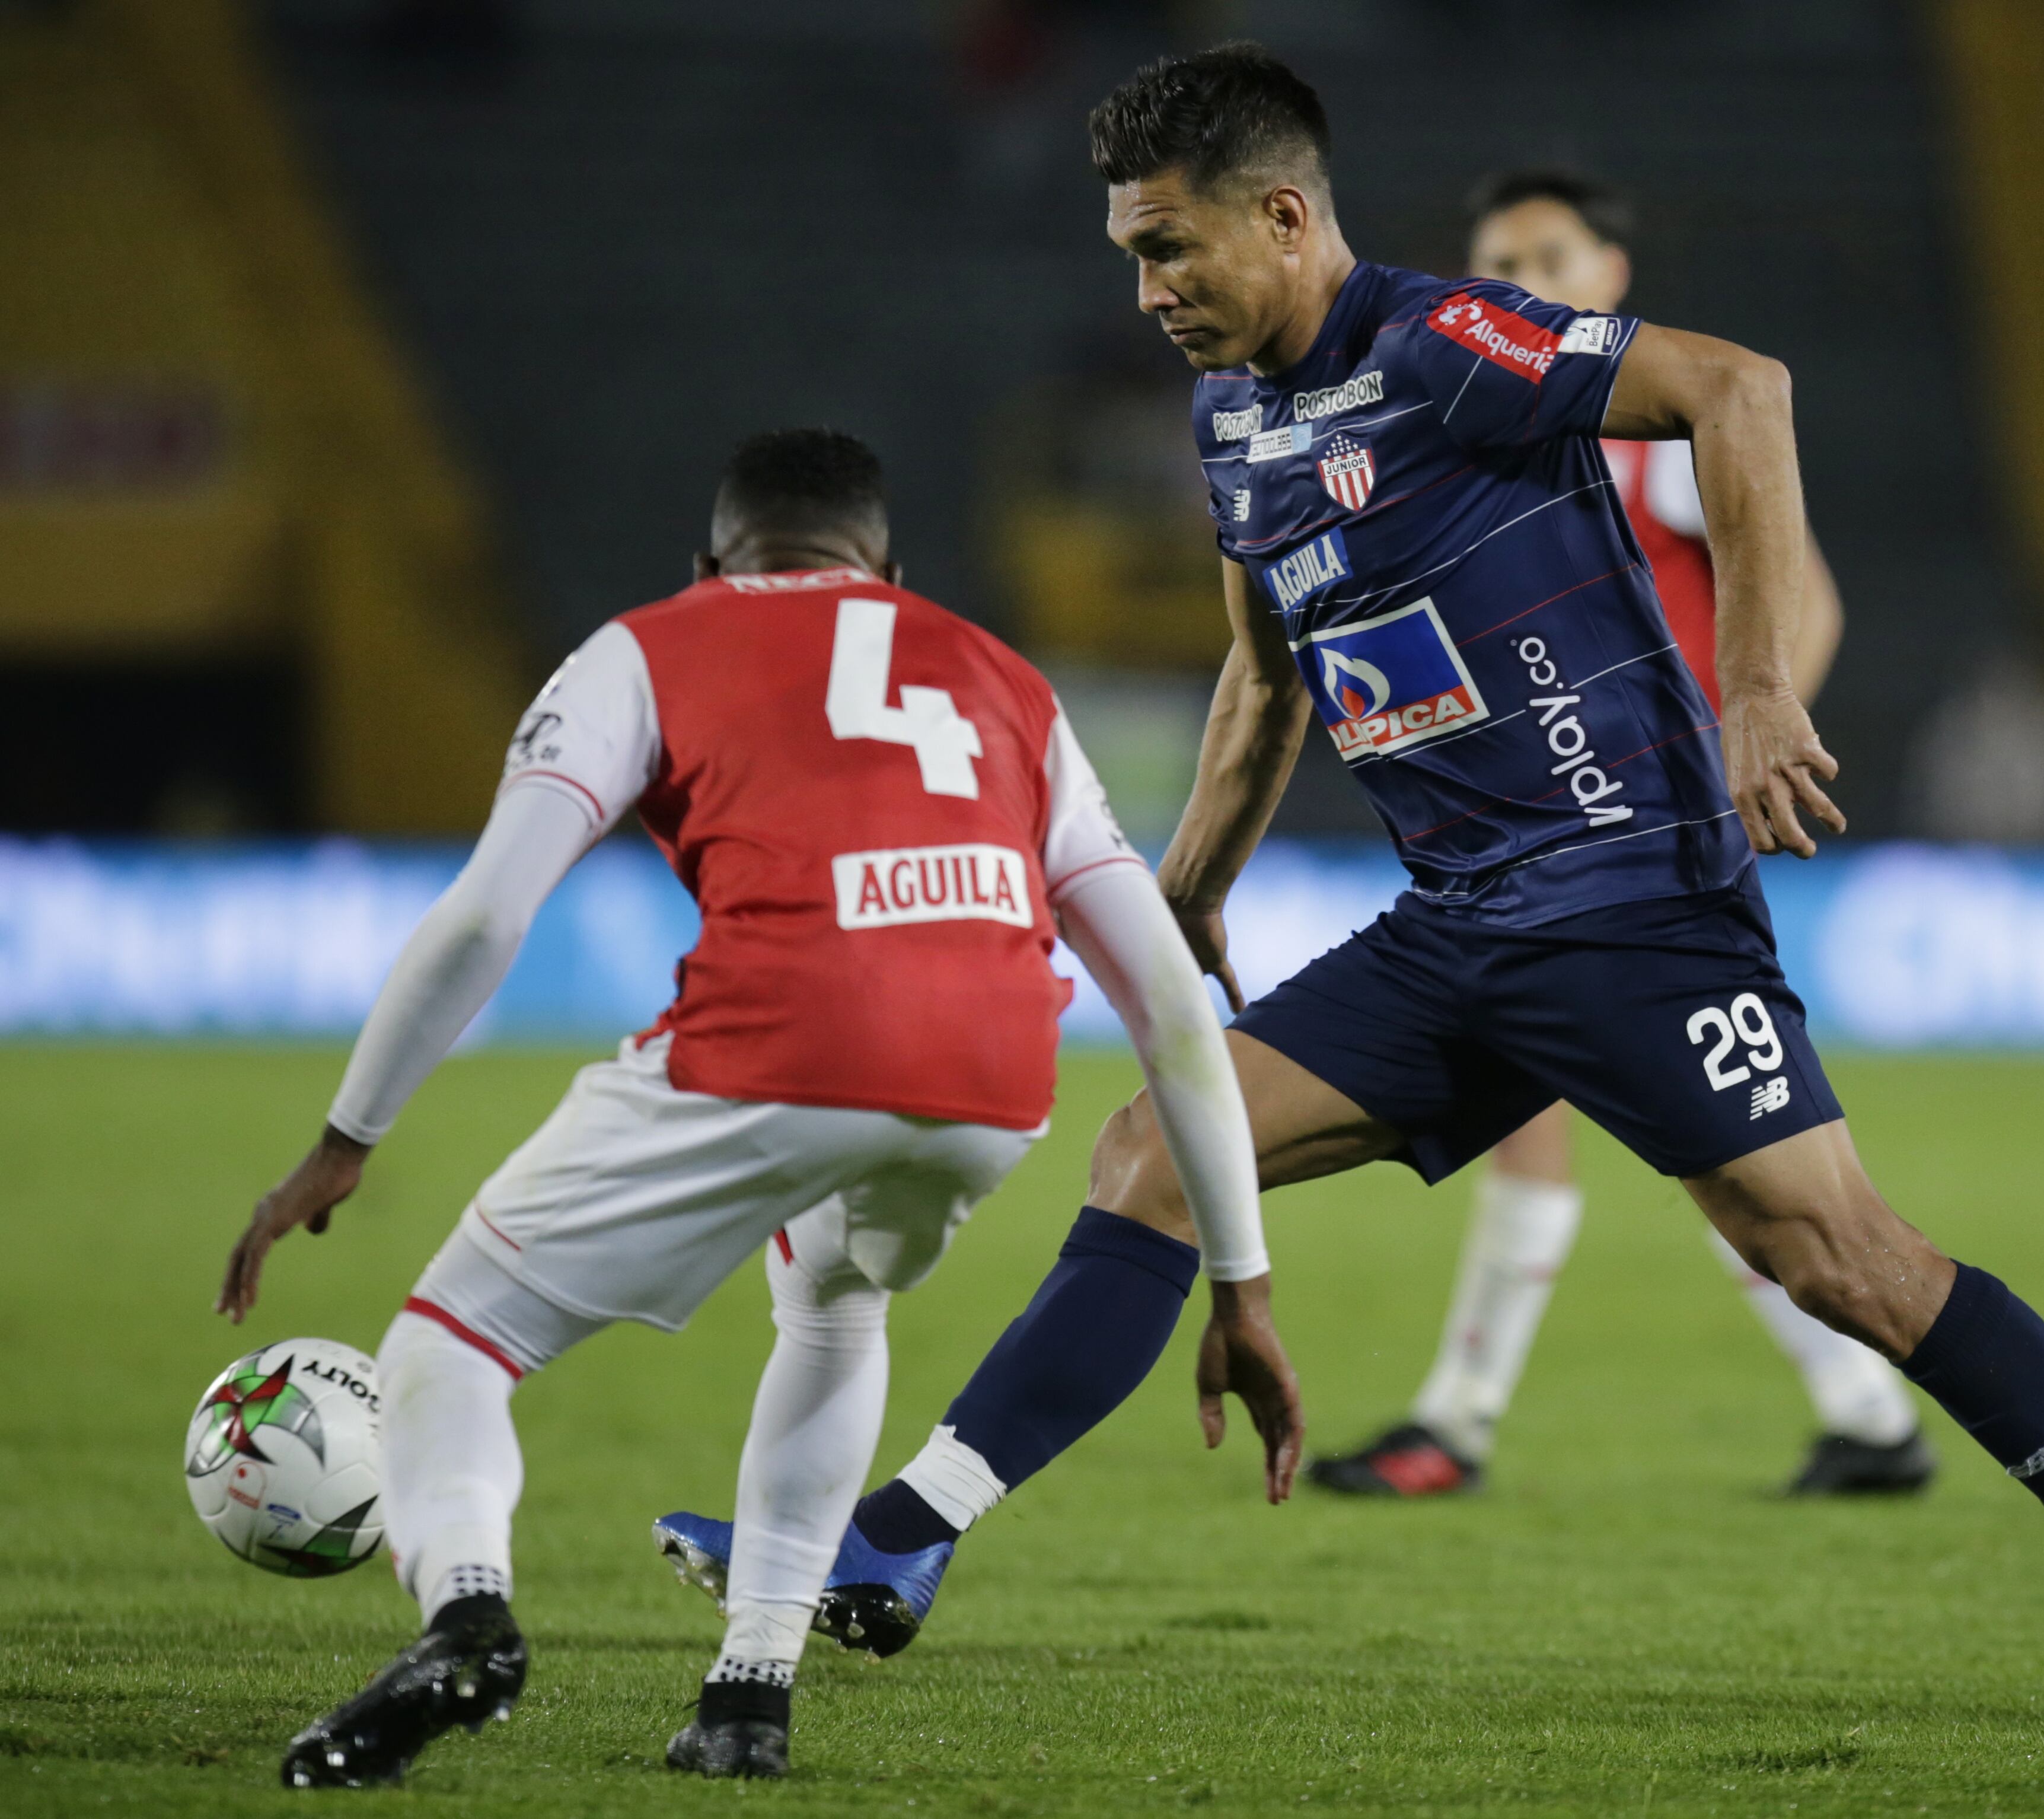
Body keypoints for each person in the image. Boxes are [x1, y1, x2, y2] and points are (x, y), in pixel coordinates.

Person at [1083, 43, 2044, 1734]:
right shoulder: (1303, 415)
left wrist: (1762, 689)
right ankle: (890, 1528)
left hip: (1640, 878)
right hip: (1476, 900)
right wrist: (1187, 878)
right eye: (1506, 262)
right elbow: (1270, 669)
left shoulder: (1520, 385)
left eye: (1164, 247)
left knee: (1829, 1249)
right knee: (1167, 1146)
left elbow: (1745, 413)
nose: (1145, 289)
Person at [214, 429, 1297, 1787]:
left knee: (450, 1338)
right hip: (990, 1074)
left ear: (709, 563)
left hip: (784, 1029)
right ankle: (747, 1697)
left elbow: (488, 910)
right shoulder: (1004, 679)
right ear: (887, 571)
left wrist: (345, 1139)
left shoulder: (651, 646)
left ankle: (466, 1617)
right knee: (837, 1302)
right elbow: (1167, 999)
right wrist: (1240, 1283)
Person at [1305, 168, 1935, 1502]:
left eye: (1549, 252)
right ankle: (1860, 1412)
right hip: (1545, 836)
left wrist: (1747, 739)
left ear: (1610, 279)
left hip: (1646, 837)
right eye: (1497, 259)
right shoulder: (1486, 440)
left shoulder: (1652, 440)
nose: (1521, 278)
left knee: (1717, 1151)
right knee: (1686, 1147)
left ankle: (1462, 1423)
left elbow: (1804, 599)